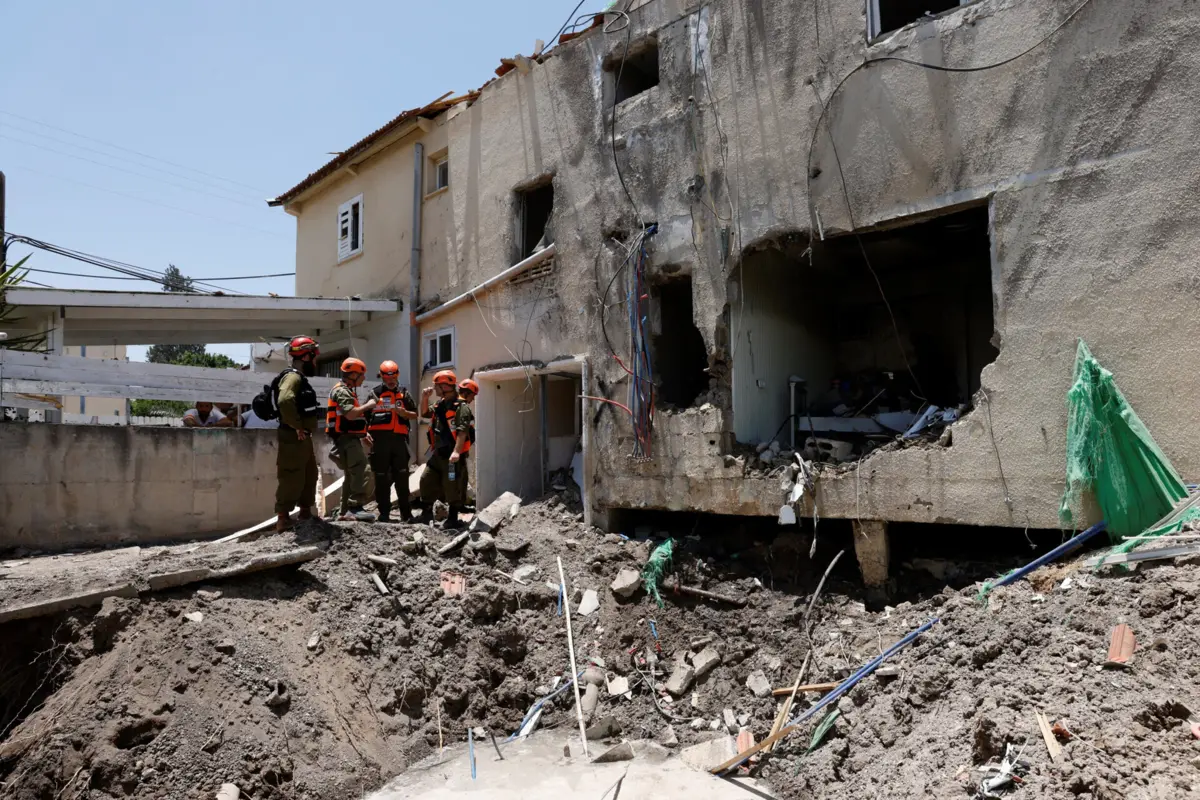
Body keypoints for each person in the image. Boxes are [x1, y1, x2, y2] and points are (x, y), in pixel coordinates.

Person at [274, 336, 322, 532]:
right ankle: (283, 519)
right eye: (314, 357)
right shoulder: (292, 377)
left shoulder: (300, 378)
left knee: (309, 475)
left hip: (302, 438)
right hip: (293, 437)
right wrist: (297, 426)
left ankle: (305, 514)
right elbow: (285, 400)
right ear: (307, 356)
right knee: (291, 476)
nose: (316, 362)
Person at [420, 371, 477, 529]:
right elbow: (424, 413)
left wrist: (457, 451)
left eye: (436, 385)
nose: (434, 388)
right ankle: (426, 514)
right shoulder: (440, 404)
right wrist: (424, 398)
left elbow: (462, 431)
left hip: (451, 456)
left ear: (445, 386)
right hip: (437, 454)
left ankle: (453, 518)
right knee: (426, 480)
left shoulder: (461, 407)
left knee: (453, 486)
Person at [367, 360, 418, 523]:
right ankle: (384, 513)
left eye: (393, 378)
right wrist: (364, 433)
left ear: (397, 376)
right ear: (382, 377)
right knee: (381, 478)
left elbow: (415, 414)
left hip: (399, 441)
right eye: (387, 378)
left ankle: (406, 513)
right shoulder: (374, 394)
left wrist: (404, 413)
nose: (391, 381)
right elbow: (364, 417)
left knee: (402, 478)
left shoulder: (404, 393)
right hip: (380, 442)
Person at [327, 357, 377, 522]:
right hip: (346, 440)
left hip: (348, 437)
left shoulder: (346, 390)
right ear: (353, 374)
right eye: (361, 374)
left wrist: (363, 434)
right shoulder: (342, 391)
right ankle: (355, 508)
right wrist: (369, 405)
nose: (363, 378)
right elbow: (350, 413)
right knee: (362, 470)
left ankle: (344, 511)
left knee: (351, 475)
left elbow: (349, 418)